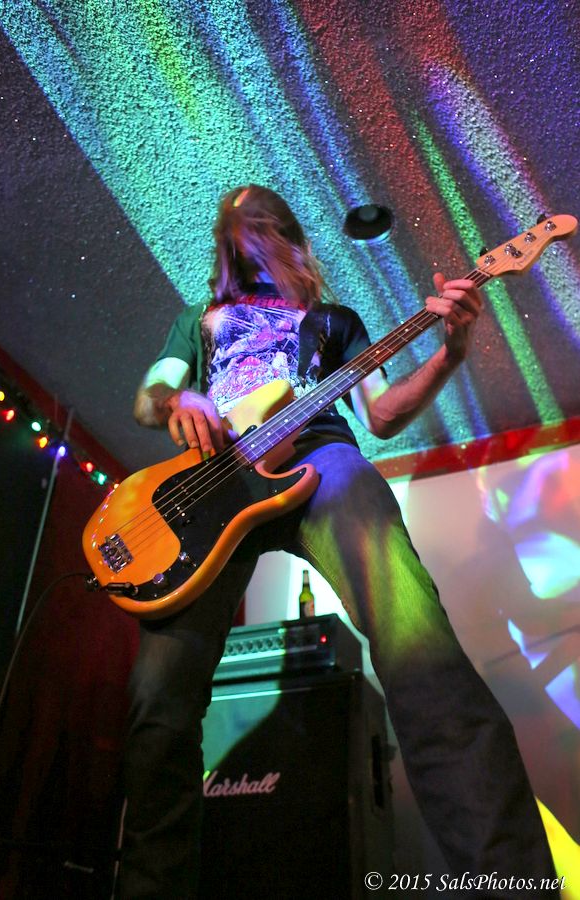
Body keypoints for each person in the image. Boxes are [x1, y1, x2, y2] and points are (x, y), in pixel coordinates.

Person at [123, 185, 557, 898]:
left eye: (260, 226)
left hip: (318, 459)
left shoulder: (334, 321)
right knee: (158, 693)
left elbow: (380, 414)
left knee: (418, 647)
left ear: (288, 237)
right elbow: (151, 395)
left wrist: (452, 352)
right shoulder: (197, 322)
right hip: (216, 485)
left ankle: (508, 882)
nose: (246, 238)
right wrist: (182, 398)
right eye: (236, 231)